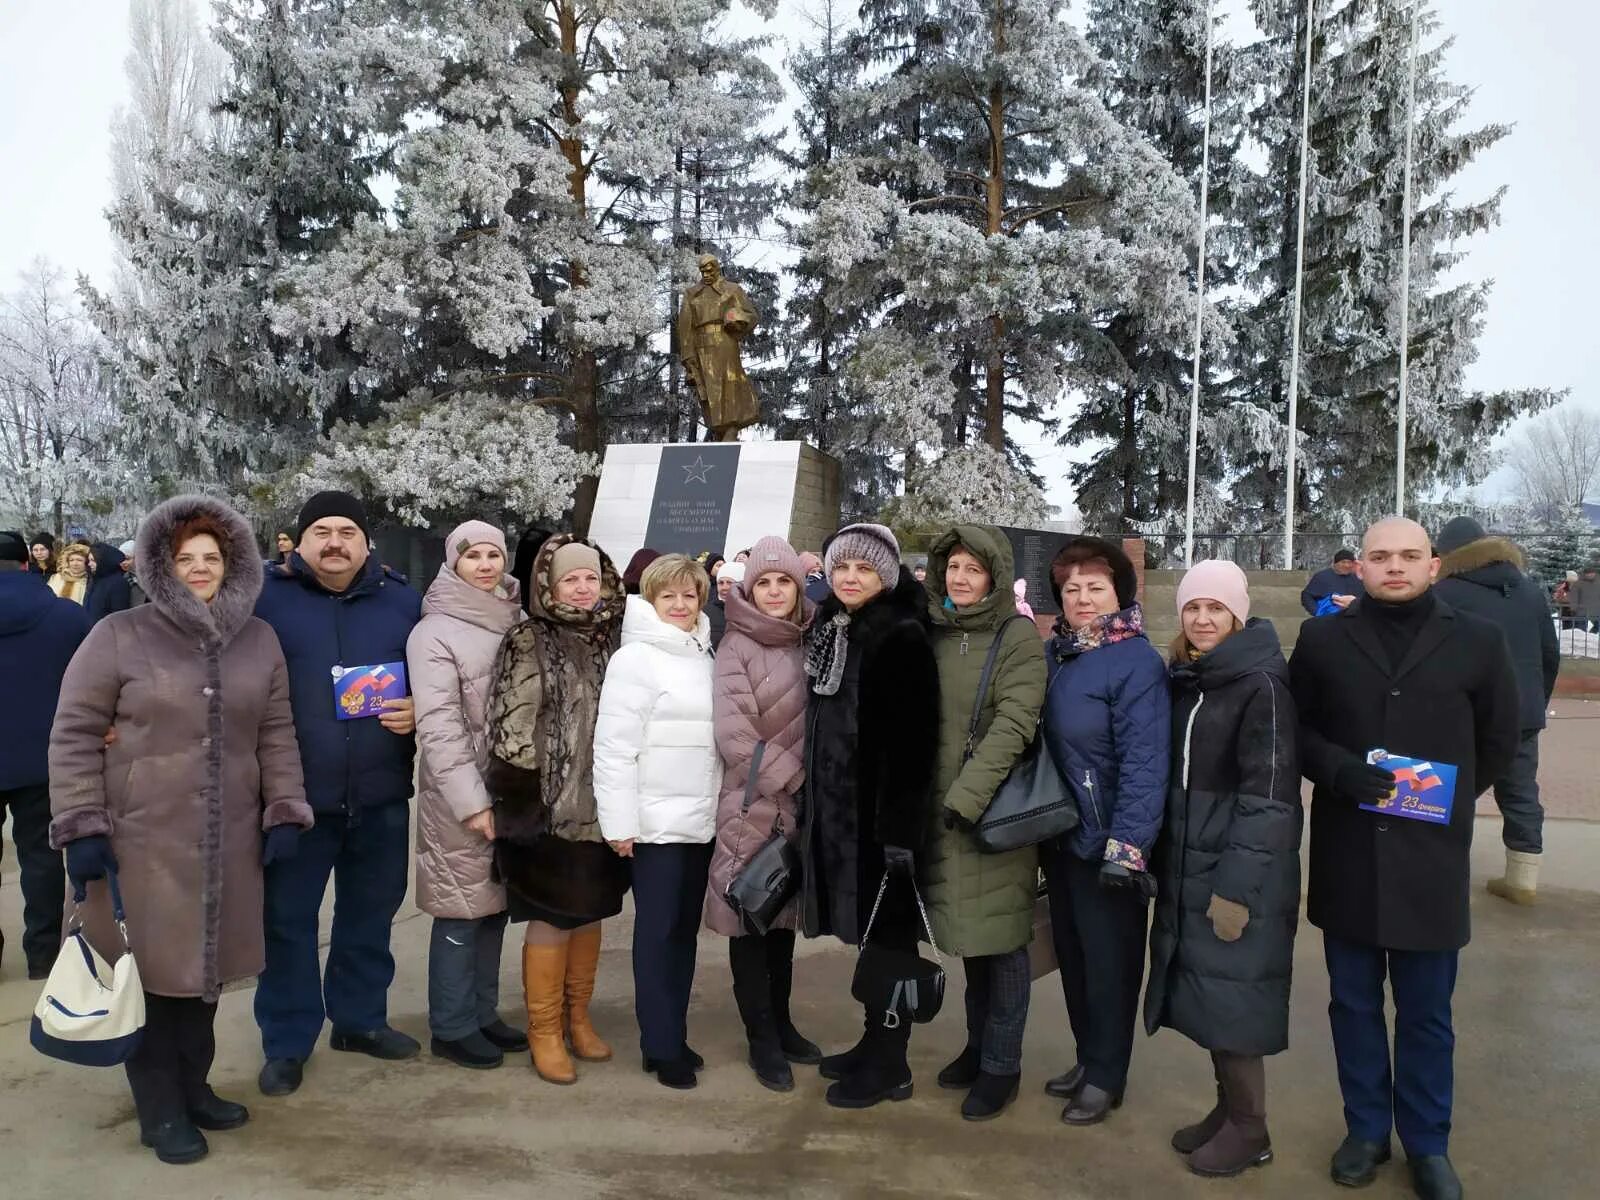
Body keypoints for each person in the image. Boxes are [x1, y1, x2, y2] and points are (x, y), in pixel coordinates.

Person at [48, 495, 313, 1164]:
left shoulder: (259, 638)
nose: (200, 569)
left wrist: (284, 806)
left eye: (212, 557)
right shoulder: (118, 634)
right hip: (140, 842)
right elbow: (75, 732)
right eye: (185, 558)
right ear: (162, 565)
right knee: (154, 978)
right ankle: (160, 1108)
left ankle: (194, 1089)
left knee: (206, 977)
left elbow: (277, 733)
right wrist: (81, 823)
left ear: (235, 564)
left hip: (230, 843)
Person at [1290, 517, 1519, 1200]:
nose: (1395, 566)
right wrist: (1336, 770)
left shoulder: (1479, 641)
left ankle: (1427, 1144)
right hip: (1349, 852)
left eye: (1408, 556)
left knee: (1426, 1014)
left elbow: (1502, 737)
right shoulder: (1324, 639)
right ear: (1357, 567)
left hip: (1430, 860)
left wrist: (1442, 799)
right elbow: (1295, 726)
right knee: (1353, 1005)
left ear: (1434, 565)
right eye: (1380, 556)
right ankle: (1365, 1131)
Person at [252, 491, 422, 1098]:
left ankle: (358, 1020)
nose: (334, 542)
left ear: (365, 542)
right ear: (297, 543)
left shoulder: (403, 602)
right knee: (289, 923)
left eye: (346, 530)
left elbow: (442, 680)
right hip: (295, 798)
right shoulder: (262, 600)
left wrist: (419, 709)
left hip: (379, 793)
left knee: (369, 915)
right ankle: (287, 1040)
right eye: (320, 530)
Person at [1144, 561, 1302, 1177]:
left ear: (1238, 613)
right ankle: (1228, 1111)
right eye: (1192, 608)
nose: (1203, 619)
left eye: (1216, 609)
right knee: (1212, 997)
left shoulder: (1260, 686)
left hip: (1238, 877)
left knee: (1236, 1007)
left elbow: (1268, 800)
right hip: (1195, 867)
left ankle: (1252, 1129)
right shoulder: (1196, 680)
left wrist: (1236, 890)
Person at [801, 523, 940, 1109]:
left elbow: (912, 745)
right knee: (873, 942)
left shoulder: (899, 635)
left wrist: (899, 835)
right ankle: (871, 1043)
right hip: (843, 817)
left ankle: (892, 1065)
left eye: (864, 569)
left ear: (886, 575)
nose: (851, 578)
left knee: (890, 944)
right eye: (842, 568)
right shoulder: (838, 631)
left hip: (883, 827)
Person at [485, 534, 630, 1085]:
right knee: (551, 916)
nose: (583, 587)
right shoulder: (530, 638)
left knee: (590, 909)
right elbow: (513, 725)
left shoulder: (614, 637)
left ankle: (578, 1017)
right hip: (549, 806)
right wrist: (518, 804)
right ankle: (543, 1030)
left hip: (606, 803)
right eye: (571, 578)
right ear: (549, 585)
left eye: (591, 577)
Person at [1038, 535, 1170, 1126]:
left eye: (1095, 588)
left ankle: (1108, 1074)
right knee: (1074, 957)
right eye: (1072, 589)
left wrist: (1129, 848)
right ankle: (1087, 1057)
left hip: (1108, 844)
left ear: (1118, 593)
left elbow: (1146, 761)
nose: (1083, 598)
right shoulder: (1059, 655)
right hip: (1062, 837)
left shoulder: (1135, 660)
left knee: (1112, 964)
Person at [922, 526, 1047, 1122]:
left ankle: (1003, 1065)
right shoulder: (936, 631)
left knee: (1003, 946)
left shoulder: (1016, 635)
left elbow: (1015, 724)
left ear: (995, 575)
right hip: (942, 816)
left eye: (974, 568)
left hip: (992, 815)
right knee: (969, 939)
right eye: (953, 566)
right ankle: (975, 1048)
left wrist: (965, 797)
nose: (961, 578)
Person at [594, 554, 721, 1091]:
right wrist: (619, 824)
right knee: (656, 934)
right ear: (649, 599)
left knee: (684, 936)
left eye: (689, 596)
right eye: (667, 596)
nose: (679, 605)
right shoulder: (636, 659)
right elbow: (613, 749)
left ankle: (675, 1033)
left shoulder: (706, 653)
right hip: (654, 825)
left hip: (700, 821)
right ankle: (659, 1044)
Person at [407, 521, 528, 1070]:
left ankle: (482, 1012)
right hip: (464, 793)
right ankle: (451, 1025)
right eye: (472, 555)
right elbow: (439, 725)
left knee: (494, 907)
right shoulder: (434, 632)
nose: (485, 564)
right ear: (452, 562)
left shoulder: (516, 619)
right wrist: (471, 800)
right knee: (460, 909)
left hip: (513, 788)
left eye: (493, 554)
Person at [705, 536, 821, 1092]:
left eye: (784, 582)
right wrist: (797, 778)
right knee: (750, 921)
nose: (775, 593)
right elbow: (734, 734)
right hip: (753, 804)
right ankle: (761, 1039)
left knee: (783, 922)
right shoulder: (737, 645)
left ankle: (783, 1022)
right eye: (765, 583)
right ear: (750, 589)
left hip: (799, 809)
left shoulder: (811, 638)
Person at [1432, 517, 1560, 906]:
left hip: (1463, 712)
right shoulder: (1530, 591)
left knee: (1452, 792)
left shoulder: (1446, 594)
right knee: (1521, 792)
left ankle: (1444, 874)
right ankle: (1522, 880)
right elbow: (1549, 655)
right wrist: (1534, 703)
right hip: (1522, 712)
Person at [0, 531, 89, 979]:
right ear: (29, 563)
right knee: (41, 856)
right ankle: (43, 955)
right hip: (44, 753)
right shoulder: (67, 618)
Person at [84, 541, 133, 625]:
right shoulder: (94, 580)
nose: (89, 564)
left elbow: (119, 617)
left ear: (103, 560)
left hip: (106, 634)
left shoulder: (118, 583)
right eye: (89, 560)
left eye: (93, 560)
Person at [1301, 547, 1359, 616]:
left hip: (1354, 619)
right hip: (1328, 619)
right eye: (1343, 562)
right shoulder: (1322, 577)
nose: (1346, 565)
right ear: (1335, 563)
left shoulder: (1359, 578)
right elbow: (1307, 596)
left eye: (1349, 562)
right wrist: (1317, 612)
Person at [707, 559, 743, 650]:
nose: (724, 588)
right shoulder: (707, 611)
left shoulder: (751, 612)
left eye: (730, 583)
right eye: (721, 583)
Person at [119, 539, 148, 607]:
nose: (123, 562)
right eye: (121, 559)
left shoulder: (150, 577)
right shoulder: (124, 577)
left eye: (127, 559)